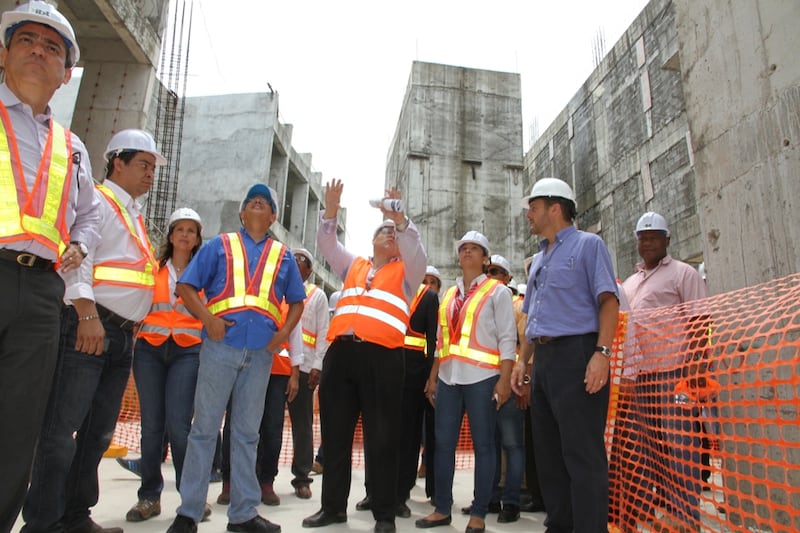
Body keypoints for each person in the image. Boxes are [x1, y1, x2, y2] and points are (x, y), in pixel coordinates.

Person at [22, 129, 165, 533]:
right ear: (117, 162)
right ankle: (44, 523)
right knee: (61, 431)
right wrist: (86, 314)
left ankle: (76, 515)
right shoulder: (98, 203)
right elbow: (76, 259)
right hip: (90, 327)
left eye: (153, 167)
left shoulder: (134, 214)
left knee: (97, 433)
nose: (150, 173)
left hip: (119, 337)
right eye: (143, 164)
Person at [0, 3, 99, 528]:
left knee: (18, 432)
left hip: (41, 294)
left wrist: (79, 244)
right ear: (4, 53)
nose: (39, 50)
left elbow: (88, 214)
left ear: (65, 75)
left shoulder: (72, 147)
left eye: (53, 47)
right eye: (27, 40)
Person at [166, 183, 305, 533]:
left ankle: (243, 514)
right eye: (252, 201)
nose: (259, 202)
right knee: (204, 429)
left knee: (246, 434)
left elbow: (297, 301)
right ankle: (189, 513)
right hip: (220, 346)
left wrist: (282, 335)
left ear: (273, 216)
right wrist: (208, 319)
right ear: (242, 213)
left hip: (260, 354)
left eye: (266, 202)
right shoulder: (218, 245)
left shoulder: (283, 255)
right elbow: (185, 286)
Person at [303, 179, 426, 533]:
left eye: (395, 233)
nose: (390, 234)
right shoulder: (353, 265)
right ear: (372, 240)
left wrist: (399, 218)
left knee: (383, 437)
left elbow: (414, 245)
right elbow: (327, 243)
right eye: (383, 230)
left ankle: (385, 515)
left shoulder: (409, 271)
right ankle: (332, 508)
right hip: (341, 356)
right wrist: (329, 209)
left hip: (383, 359)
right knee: (335, 436)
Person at [510, 177, 619, 533]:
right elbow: (531, 318)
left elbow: (608, 301)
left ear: (555, 208)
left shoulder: (589, 245)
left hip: (577, 355)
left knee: (582, 456)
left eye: (534, 207)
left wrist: (601, 353)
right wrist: (523, 362)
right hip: (544, 362)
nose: (529, 214)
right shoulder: (539, 258)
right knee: (549, 457)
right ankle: (559, 526)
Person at [415, 231, 517, 533]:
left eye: (475, 249)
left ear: (485, 258)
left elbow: (507, 338)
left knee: (485, 446)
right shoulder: (448, 296)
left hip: (483, 379)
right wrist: (433, 377)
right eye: (463, 249)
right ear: (458, 257)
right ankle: (442, 509)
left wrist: (505, 380)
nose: (468, 252)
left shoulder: (497, 292)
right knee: (442, 445)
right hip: (448, 378)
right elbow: (441, 341)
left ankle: (479, 513)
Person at [619, 211, 709, 532]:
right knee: (652, 448)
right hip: (640, 377)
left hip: (674, 373)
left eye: (654, 236)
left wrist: (697, 368)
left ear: (667, 240)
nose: (647, 242)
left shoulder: (683, 274)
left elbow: (700, 320)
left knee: (681, 446)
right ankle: (667, 511)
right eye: (643, 237)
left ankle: (687, 518)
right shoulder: (631, 281)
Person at [124, 207, 204, 522]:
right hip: (150, 351)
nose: (185, 235)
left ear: (198, 238)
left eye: (191, 230)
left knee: (180, 427)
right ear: (170, 236)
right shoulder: (152, 269)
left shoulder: (204, 273)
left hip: (188, 351)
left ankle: (191, 500)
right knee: (151, 427)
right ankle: (149, 498)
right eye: (179, 229)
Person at [355, 263, 440, 518]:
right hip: (379, 370)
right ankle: (374, 491)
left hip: (412, 378)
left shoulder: (429, 297)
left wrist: (429, 377)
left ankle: (400, 494)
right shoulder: (384, 290)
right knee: (375, 433)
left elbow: (433, 341)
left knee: (407, 438)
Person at [483, 254, 526, 524]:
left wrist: (524, 381)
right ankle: (489, 499)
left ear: (508, 278)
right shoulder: (481, 303)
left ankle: (511, 502)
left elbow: (526, 347)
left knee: (512, 444)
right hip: (485, 382)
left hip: (509, 382)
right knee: (489, 444)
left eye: (497, 271)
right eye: (488, 271)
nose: (491, 275)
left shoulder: (517, 307)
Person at [286, 248, 330, 498]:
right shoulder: (276, 291)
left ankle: (302, 476)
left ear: (309, 271)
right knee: (266, 424)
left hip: (304, 368)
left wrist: (318, 365)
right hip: (278, 365)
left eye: (301, 260)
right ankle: (262, 474)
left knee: (302, 424)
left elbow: (324, 331)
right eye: (291, 258)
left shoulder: (317, 296)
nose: (295, 262)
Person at [417, 266, 443, 499]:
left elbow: (440, 346)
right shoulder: (411, 305)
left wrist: (433, 377)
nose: (427, 285)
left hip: (435, 377)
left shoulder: (444, 311)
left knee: (435, 435)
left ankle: (435, 492)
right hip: (412, 374)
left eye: (432, 282)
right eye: (424, 280)